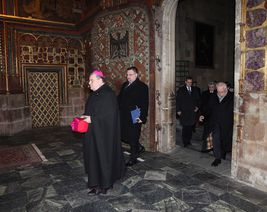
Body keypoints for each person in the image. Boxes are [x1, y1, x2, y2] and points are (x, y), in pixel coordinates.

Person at [81, 70, 125, 195]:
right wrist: (84, 117)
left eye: (91, 80)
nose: (89, 83)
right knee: (93, 158)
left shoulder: (108, 94)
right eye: (89, 81)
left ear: (100, 80)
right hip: (93, 133)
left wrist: (92, 119)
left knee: (103, 158)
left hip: (104, 135)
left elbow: (109, 116)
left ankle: (105, 184)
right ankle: (95, 183)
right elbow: (91, 111)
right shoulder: (94, 94)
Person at [118, 66, 149, 166]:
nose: (128, 77)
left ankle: (133, 158)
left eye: (130, 75)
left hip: (135, 113)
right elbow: (119, 98)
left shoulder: (142, 87)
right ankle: (139, 147)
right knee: (125, 135)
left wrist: (142, 117)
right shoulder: (124, 85)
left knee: (133, 135)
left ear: (136, 75)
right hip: (123, 114)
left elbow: (145, 103)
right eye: (127, 75)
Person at [199, 82, 234, 166]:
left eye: (222, 92)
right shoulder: (213, 96)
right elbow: (208, 108)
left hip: (227, 124)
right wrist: (203, 115)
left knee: (224, 140)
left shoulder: (232, 97)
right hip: (215, 123)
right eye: (218, 91)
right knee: (216, 139)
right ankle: (217, 158)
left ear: (226, 89)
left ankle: (223, 154)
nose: (220, 94)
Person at [176, 76, 200, 147]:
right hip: (184, 111)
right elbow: (178, 101)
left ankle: (189, 141)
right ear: (185, 82)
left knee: (190, 127)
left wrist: (197, 107)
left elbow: (198, 100)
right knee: (185, 127)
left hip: (192, 112)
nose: (190, 84)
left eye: (191, 82)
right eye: (188, 82)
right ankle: (185, 142)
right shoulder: (181, 90)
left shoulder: (195, 90)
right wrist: (178, 110)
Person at [200, 81, 216, 152]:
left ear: (215, 87)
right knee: (206, 132)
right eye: (210, 87)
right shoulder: (204, 93)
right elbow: (202, 104)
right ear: (208, 87)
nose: (211, 88)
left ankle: (212, 146)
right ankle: (205, 147)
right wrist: (202, 114)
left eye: (212, 87)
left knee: (213, 133)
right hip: (206, 115)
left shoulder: (217, 94)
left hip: (214, 116)